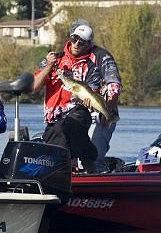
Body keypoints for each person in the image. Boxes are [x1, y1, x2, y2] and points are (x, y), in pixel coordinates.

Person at [32, 20, 122, 173]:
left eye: (82, 42)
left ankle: (94, 175)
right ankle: (66, 173)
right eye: (74, 39)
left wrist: (108, 111)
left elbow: (114, 86)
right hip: (56, 119)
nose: (77, 44)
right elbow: (33, 87)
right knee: (59, 134)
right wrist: (48, 67)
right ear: (70, 37)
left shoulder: (100, 57)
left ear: (89, 44)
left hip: (92, 112)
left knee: (91, 152)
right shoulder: (55, 59)